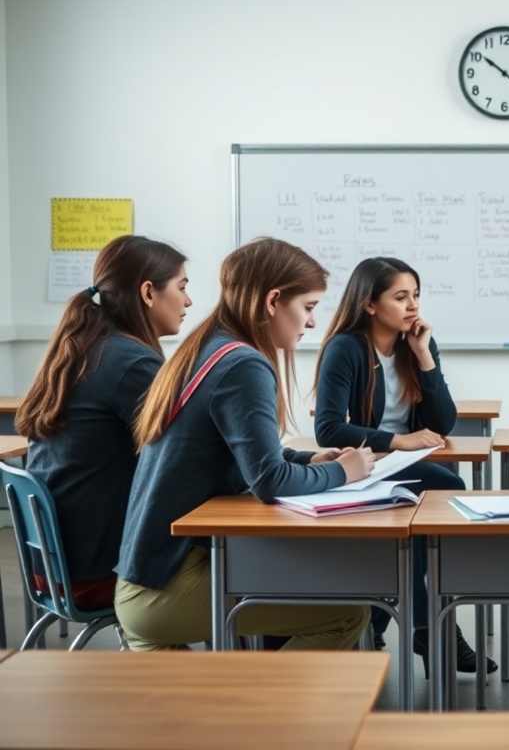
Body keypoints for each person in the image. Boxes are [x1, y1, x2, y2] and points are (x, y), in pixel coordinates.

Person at [115, 238, 374, 650]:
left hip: (146, 581)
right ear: (273, 301)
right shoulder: (243, 364)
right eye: (307, 307)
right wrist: (344, 471)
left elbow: (246, 456)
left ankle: (262, 708)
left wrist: (310, 459)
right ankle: (264, 715)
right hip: (162, 594)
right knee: (346, 613)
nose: (311, 322)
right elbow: (269, 480)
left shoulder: (210, 345)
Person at [314, 256, 496, 675]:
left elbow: (443, 422)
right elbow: (327, 428)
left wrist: (424, 358)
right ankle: (426, 626)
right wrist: (397, 440)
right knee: (445, 486)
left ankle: (386, 622)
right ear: (370, 304)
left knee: (438, 497)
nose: (413, 305)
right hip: (363, 467)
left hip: (401, 466)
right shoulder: (346, 348)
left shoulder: (415, 344)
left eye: (415, 295)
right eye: (401, 296)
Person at [15, 235, 190, 610]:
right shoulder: (131, 362)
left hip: (54, 564)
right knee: (233, 570)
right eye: (182, 287)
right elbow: (185, 451)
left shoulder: (88, 346)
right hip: (96, 571)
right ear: (148, 292)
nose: (188, 301)